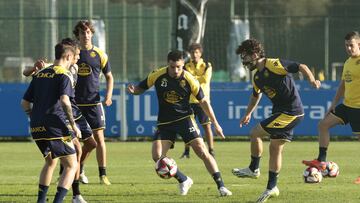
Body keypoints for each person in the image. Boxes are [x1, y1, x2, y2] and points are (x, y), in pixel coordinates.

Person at [127, 50, 232, 196]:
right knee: (157, 156)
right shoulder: (157, 75)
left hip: (185, 119)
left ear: (183, 65)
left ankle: (221, 186)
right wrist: (134, 92)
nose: (176, 70)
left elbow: (204, 102)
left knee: (202, 151)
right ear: (167, 64)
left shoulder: (189, 79)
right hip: (164, 122)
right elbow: (140, 88)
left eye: (179, 67)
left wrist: (216, 123)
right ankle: (184, 179)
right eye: (172, 67)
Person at [231, 38, 321, 202]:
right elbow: (255, 96)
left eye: (245, 56)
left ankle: (253, 169)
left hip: (291, 112)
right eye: (242, 57)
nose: (243, 60)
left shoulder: (273, 64)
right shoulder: (257, 77)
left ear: (255, 54)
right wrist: (248, 114)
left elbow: (301, 66)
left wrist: (312, 80)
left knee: (255, 133)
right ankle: (272, 187)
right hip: (282, 112)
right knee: (275, 148)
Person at [23, 38, 97, 203]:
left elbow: (24, 103)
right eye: (75, 55)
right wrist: (73, 125)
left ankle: (41, 201)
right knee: (72, 164)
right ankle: (63, 200)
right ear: (69, 56)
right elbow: (64, 100)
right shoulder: (64, 74)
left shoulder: (40, 74)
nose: (77, 58)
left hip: (36, 126)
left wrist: (33, 117)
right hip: (55, 124)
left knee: (50, 162)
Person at [302, 31, 360, 184]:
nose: (348, 48)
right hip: (347, 106)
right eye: (346, 45)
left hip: (359, 109)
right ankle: (321, 161)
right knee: (323, 125)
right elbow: (343, 85)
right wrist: (334, 104)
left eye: (351, 45)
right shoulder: (348, 62)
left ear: (359, 44)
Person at [73, 20, 114, 185]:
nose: (86, 35)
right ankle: (73, 171)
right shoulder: (73, 54)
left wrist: (108, 95)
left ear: (92, 34)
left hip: (93, 103)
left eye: (89, 32)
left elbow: (109, 76)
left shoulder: (99, 54)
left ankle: (102, 174)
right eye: (83, 33)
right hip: (75, 104)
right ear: (78, 35)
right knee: (75, 141)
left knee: (98, 140)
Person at [180, 43, 215, 159]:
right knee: (188, 127)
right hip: (189, 101)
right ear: (190, 54)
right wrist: (193, 79)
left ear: (200, 53)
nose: (195, 55)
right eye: (193, 52)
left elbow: (205, 79)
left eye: (197, 52)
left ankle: (211, 150)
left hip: (202, 101)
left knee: (207, 126)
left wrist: (192, 78)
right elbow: (183, 80)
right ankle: (186, 152)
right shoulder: (185, 65)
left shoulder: (206, 65)